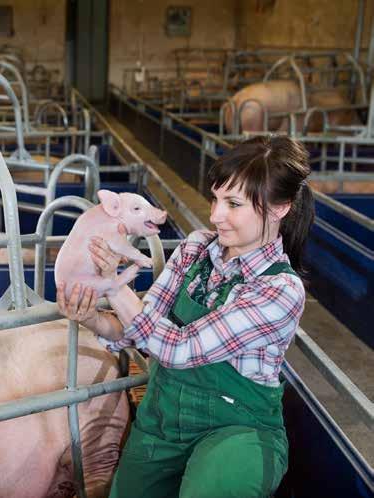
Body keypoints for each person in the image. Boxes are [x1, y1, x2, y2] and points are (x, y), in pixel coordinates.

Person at [57, 135, 315, 498]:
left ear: (279, 208)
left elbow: (178, 348)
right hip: (164, 418)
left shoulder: (279, 290)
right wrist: (91, 318)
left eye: (234, 203)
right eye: (215, 198)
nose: (215, 215)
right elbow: (139, 328)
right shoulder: (195, 247)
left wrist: (114, 287)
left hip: (236, 429)